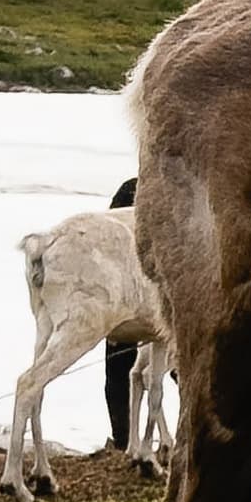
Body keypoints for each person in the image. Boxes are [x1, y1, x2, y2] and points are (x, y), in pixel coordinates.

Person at [104, 175, 141, 455]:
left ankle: (124, 443)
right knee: (120, 369)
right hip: (126, 294)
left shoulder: (133, 188)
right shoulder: (130, 190)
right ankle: (123, 442)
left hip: (128, 295)